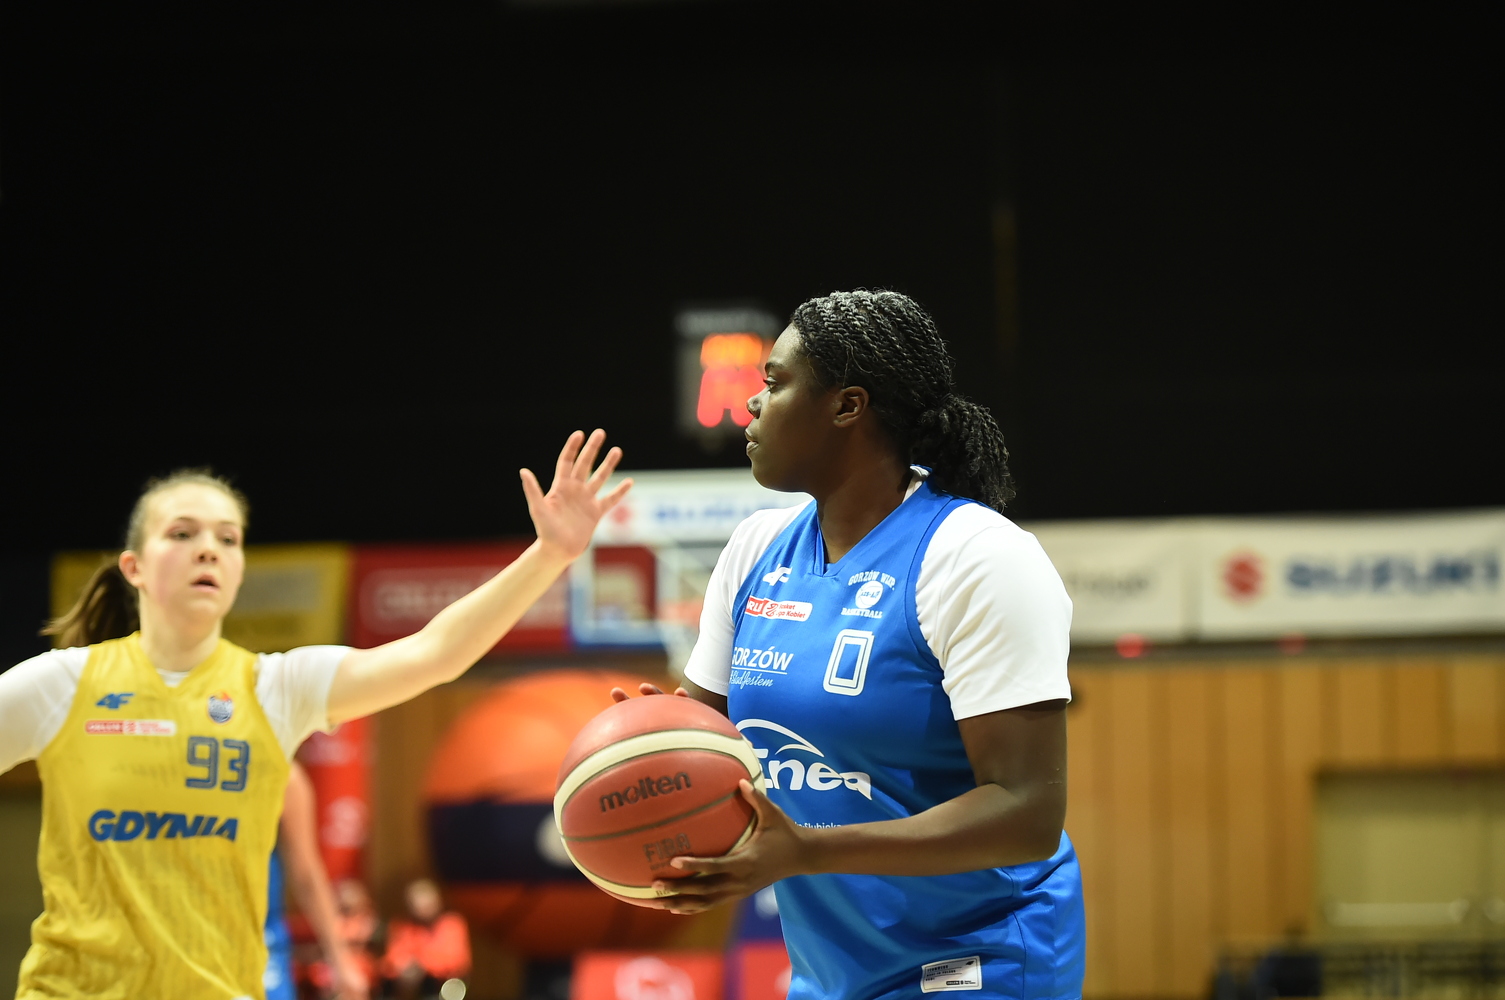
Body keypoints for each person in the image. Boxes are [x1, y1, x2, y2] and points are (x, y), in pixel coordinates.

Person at [0, 430, 629, 1000]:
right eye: (183, 534)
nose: (208, 550)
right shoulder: (62, 684)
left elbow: (434, 654)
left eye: (227, 538)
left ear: (240, 570)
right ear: (133, 567)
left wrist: (550, 554)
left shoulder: (274, 688)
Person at [615, 291, 1084, 1000]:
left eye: (774, 383)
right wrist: (651, 746)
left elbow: (1026, 815)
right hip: (833, 969)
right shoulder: (755, 551)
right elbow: (709, 747)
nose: (751, 404)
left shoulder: (977, 557)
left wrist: (807, 850)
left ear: (846, 406)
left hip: (979, 955)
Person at [264, 761, 369, 1000]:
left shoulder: (283, 776)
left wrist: (340, 960)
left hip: (263, 942)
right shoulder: (182, 764)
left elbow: (307, 876)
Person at [378, 879, 469, 1000]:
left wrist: (422, 963)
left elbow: (456, 960)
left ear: (438, 902)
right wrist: (404, 965)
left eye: (428, 906)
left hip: (443, 986)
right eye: (419, 907)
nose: (424, 911)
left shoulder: (452, 924)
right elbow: (392, 959)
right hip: (409, 985)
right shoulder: (403, 927)